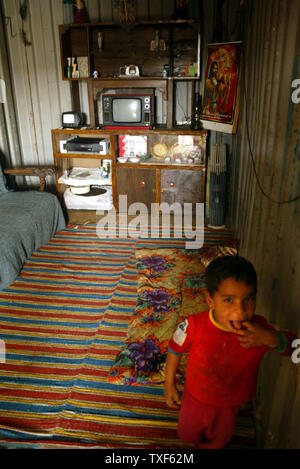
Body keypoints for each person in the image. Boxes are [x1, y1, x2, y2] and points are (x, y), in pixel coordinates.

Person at [164, 255, 296, 449]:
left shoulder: (259, 330)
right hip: (195, 397)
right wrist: (169, 384)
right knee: (187, 434)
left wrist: (271, 339)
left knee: (219, 440)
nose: (240, 310)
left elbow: (295, 349)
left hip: (230, 404)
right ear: (210, 300)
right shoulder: (194, 325)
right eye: (228, 300)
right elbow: (174, 348)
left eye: (248, 298)